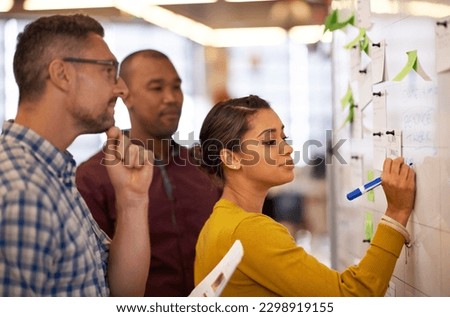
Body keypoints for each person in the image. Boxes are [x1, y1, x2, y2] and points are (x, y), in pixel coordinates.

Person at [194, 95, 416, 296]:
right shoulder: (249, 230)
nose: (288, 149)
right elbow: (353, 296)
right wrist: (396, 212)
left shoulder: (216, 223)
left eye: (284, 137)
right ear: (231, 159)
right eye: (270, 142)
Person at [0, 14, 154, 296]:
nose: (121, 88)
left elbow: (122, 294)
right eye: (109, 70)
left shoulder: (52, 174)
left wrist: (133, 200)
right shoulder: (21, 192)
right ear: (62, 75)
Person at [76, 49, 221, 296]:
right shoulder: (93, 178)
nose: (171, 98)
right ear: (126, 96)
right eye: (157, 88)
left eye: (176, 87)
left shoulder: (202, 168)